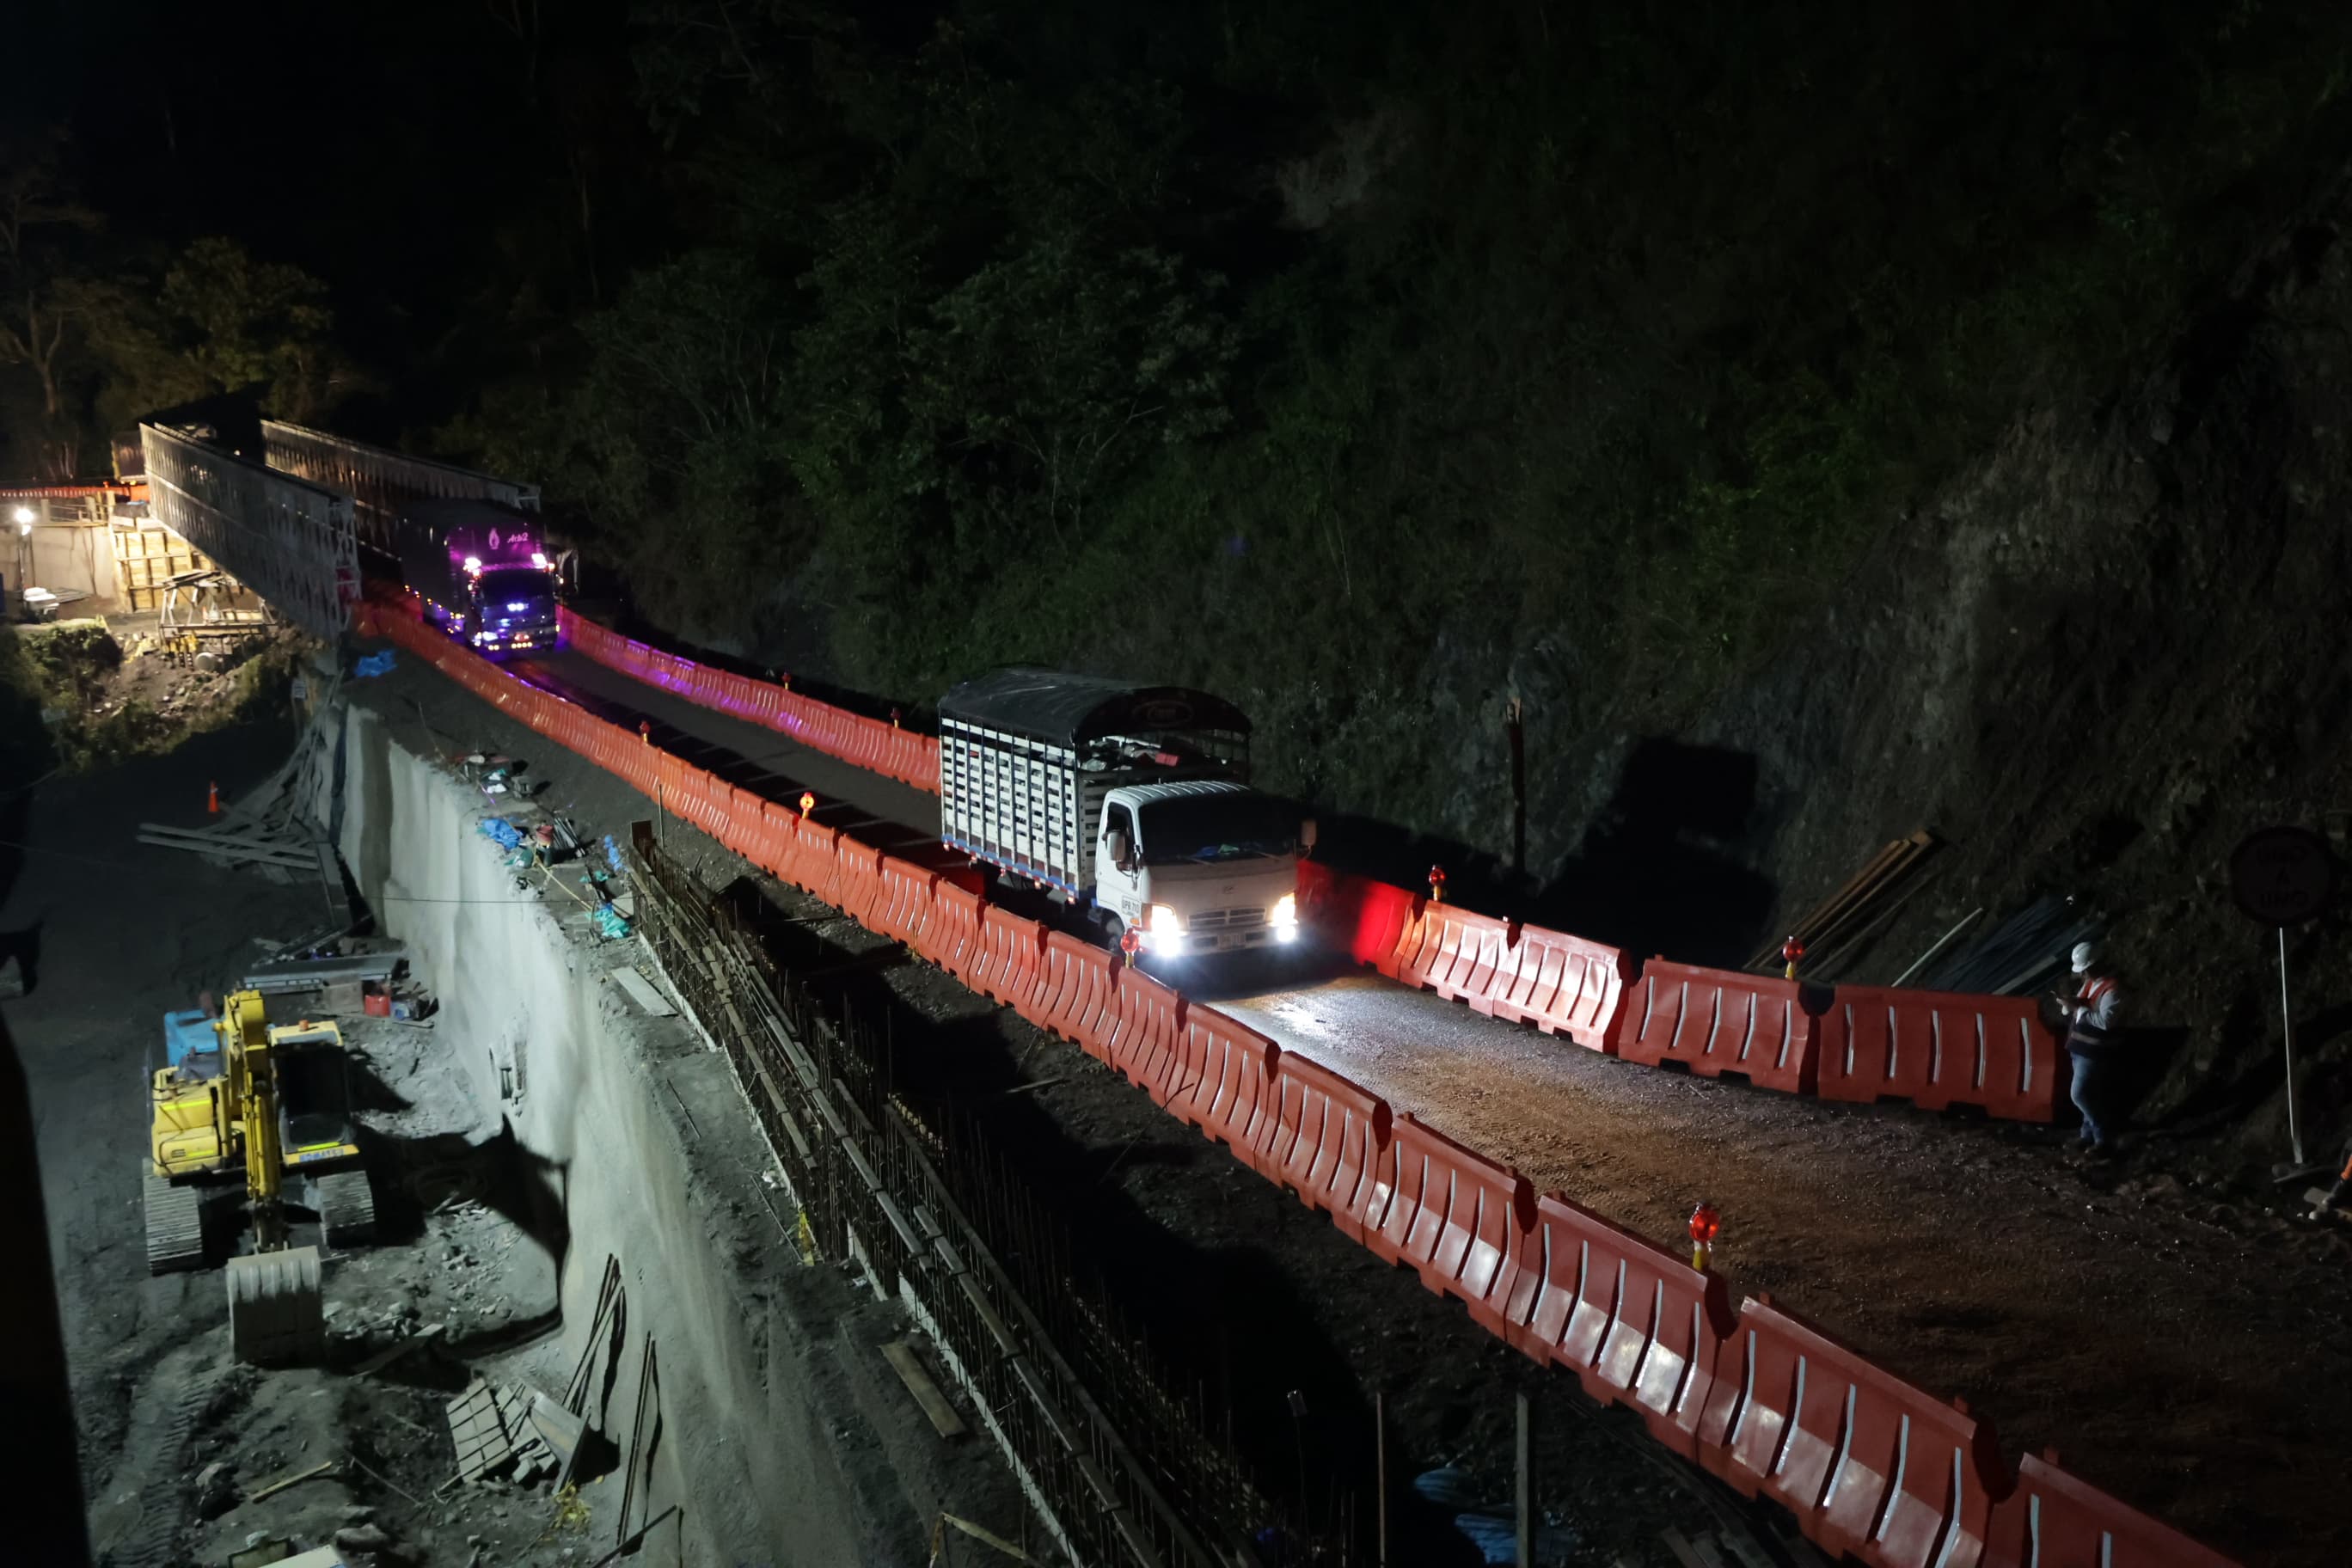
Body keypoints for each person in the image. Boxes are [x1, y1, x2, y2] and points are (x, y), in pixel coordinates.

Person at [2055, 940, 2124, 1155]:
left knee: (2079, 1095)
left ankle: (2103, 1136)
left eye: (2084, 970)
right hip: (2080, 1048)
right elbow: (2082, 1007)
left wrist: (2080, 1010)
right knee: (2088, 1094)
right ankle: (2087, 1136)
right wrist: (2069, 1006)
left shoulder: (2113, 991)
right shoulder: (2090, 984)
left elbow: (2106, 1022)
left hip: (2094, 1052)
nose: (2082, 975)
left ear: (2096, 965)